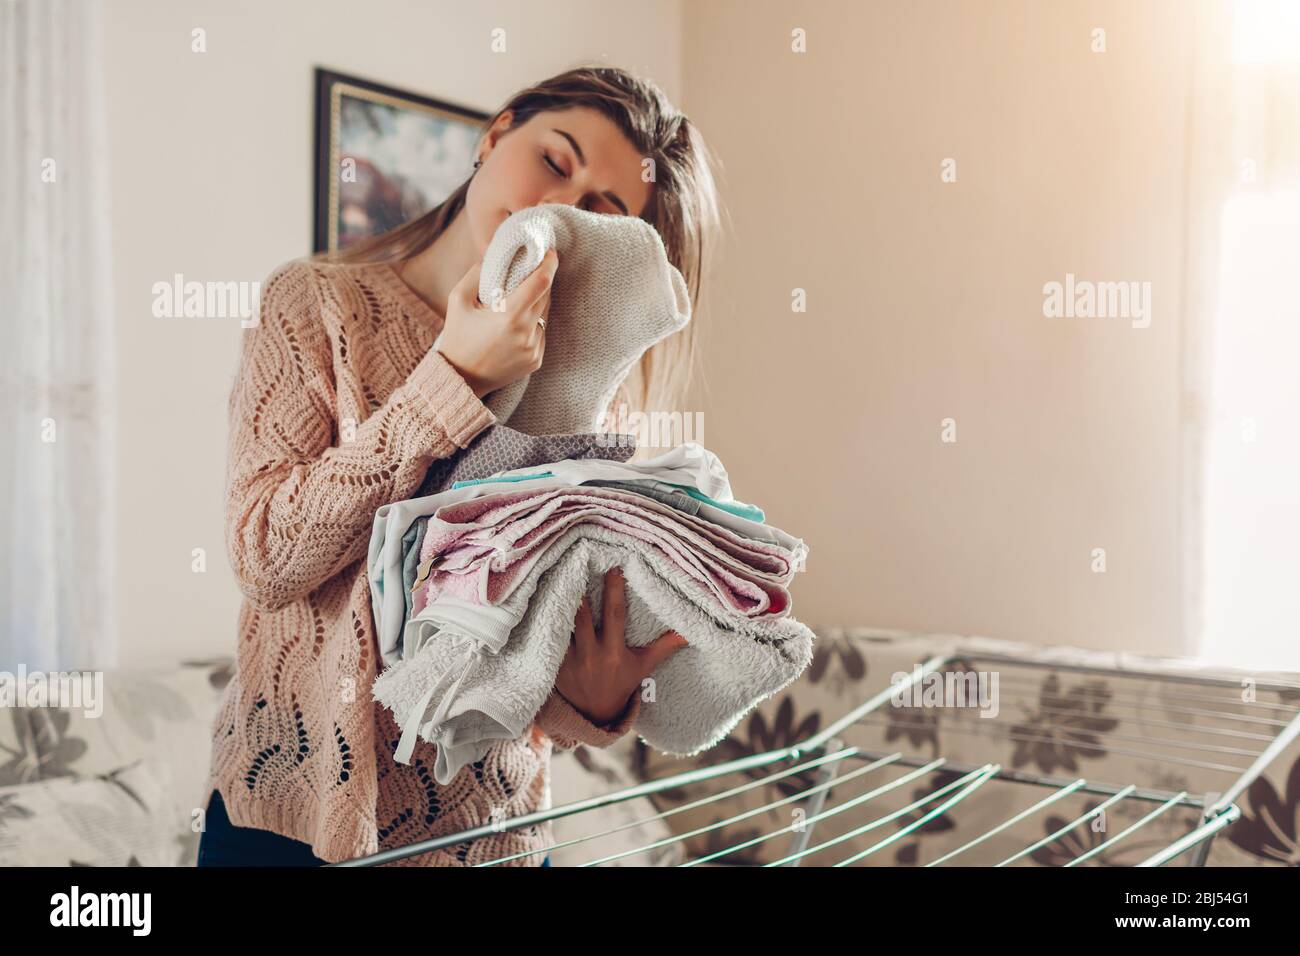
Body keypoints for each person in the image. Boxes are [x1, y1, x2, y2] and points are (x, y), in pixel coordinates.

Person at [198, 64, 721, 867]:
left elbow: (531, 662)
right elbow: (266, 557)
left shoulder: (583, 390)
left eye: (600, 212)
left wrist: (599, 703)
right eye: (554, 160)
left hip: (490, 836)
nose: (557, 210)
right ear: (496, 132)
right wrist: (455, 379)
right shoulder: (314, 305)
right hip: (286, 819)